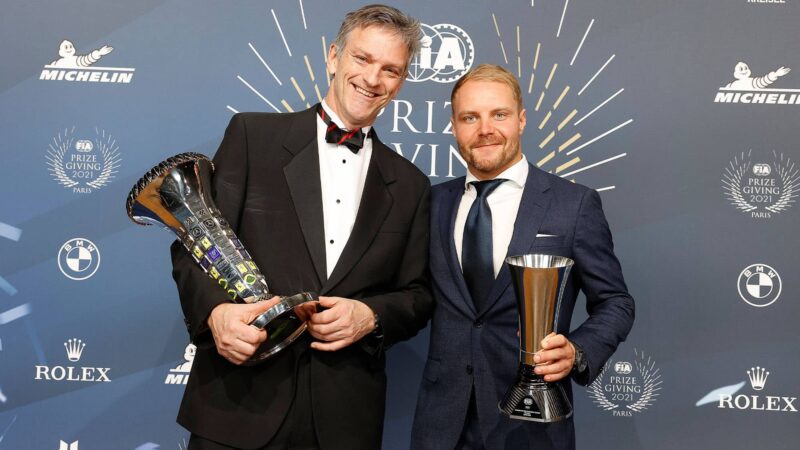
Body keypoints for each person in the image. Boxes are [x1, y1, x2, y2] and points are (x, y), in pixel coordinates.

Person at [170, 5, 432, 449]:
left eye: (390, 69)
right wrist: (216, 313)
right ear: (333, 57)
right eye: (362, 59)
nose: (372, 79)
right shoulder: (253, 136)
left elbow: (418, 293)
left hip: (343, 418)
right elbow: (195, 242)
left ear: (401, 82)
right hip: (238, 403)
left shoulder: (410, 184)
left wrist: (371, 316)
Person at [410, 64, 635, 450]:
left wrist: (578, 352)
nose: (485, 129)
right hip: (441, 424)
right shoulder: (432, 204)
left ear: (522, 120)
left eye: (499, 114)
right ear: (453, 126)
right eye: (470, 117)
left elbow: (615, 302)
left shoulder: (573, 205)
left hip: (532, 426)